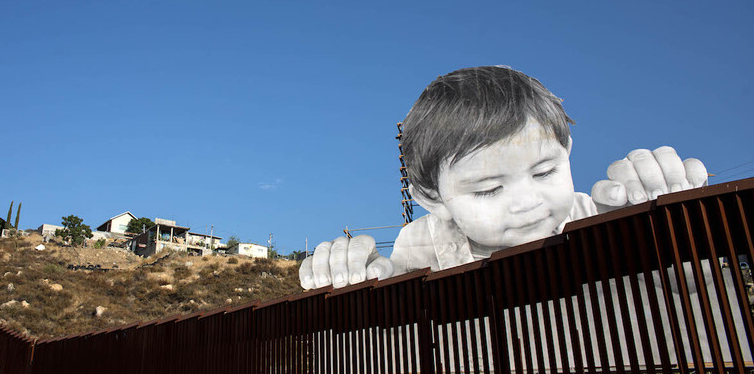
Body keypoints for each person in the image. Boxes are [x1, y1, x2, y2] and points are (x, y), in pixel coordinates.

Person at [299, 66, 707, 290]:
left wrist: (674, 227)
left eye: (545, 171)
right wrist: (350, 282)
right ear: (431, 196)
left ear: (567, 152)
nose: (527, 201)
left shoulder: (603, 216)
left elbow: (690, 288)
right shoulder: (423, 244)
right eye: (489, 188)